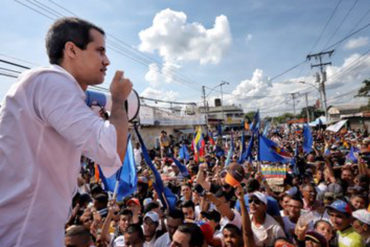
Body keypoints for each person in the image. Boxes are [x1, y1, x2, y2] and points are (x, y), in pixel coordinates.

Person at [0, 17, 132, 247]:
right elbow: (112, 150)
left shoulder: (51, 87)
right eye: (99, 51)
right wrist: (119, 101)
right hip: (21, 234)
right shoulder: (51, 81)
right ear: (71, 49)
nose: (107, 60)